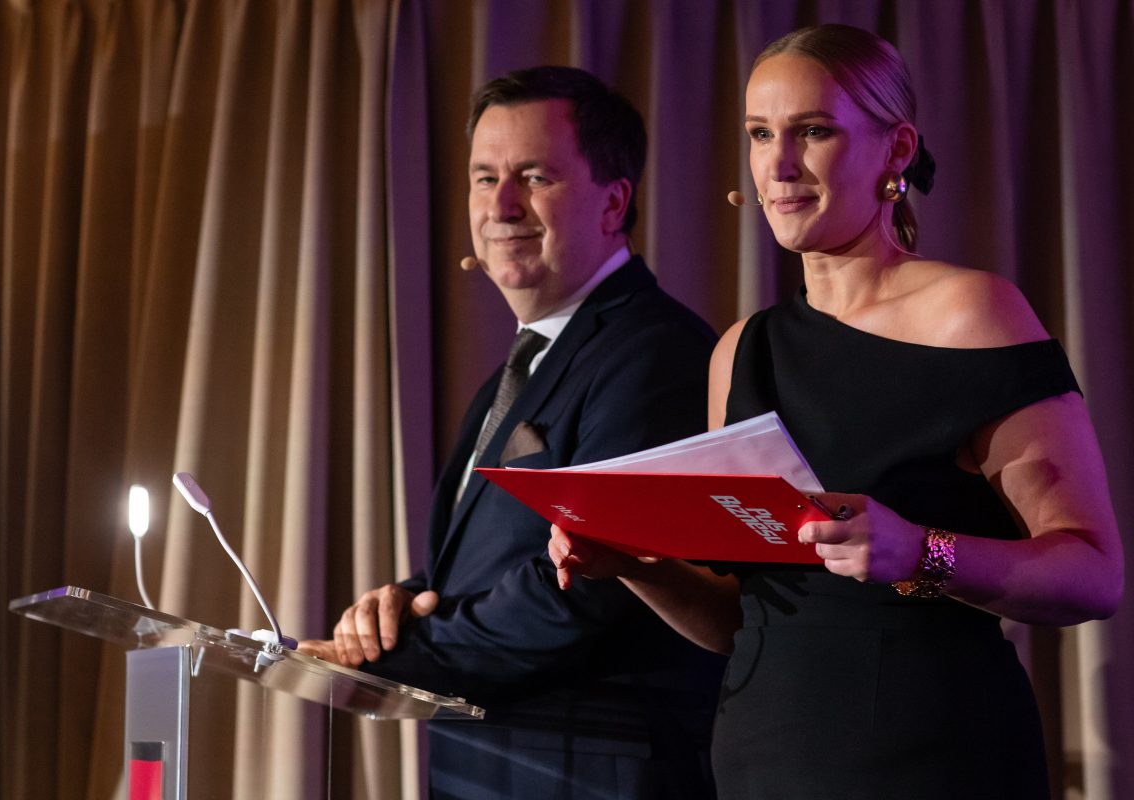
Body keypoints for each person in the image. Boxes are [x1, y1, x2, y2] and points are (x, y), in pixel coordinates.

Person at [549, 24, 1123, 800]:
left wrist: (921, 551)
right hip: (764, 759)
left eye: (813, 131)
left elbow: (1092, 575)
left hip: (932, 757)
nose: (779, 164)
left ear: (896, 149)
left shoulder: (971, 313)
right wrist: (632, 568)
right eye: (760, 134)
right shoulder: (740, 351)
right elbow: (744, 619)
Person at [301, 66, 725, 798]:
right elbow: (488, 565)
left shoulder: (654, 352)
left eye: (533, 177)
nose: (501, 205)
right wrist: (400, 606)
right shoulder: (527, 362)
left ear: (613, 201)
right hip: (499, 764)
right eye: (484, 177)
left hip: (593, 771)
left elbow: (589, 584)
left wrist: (400, 657)